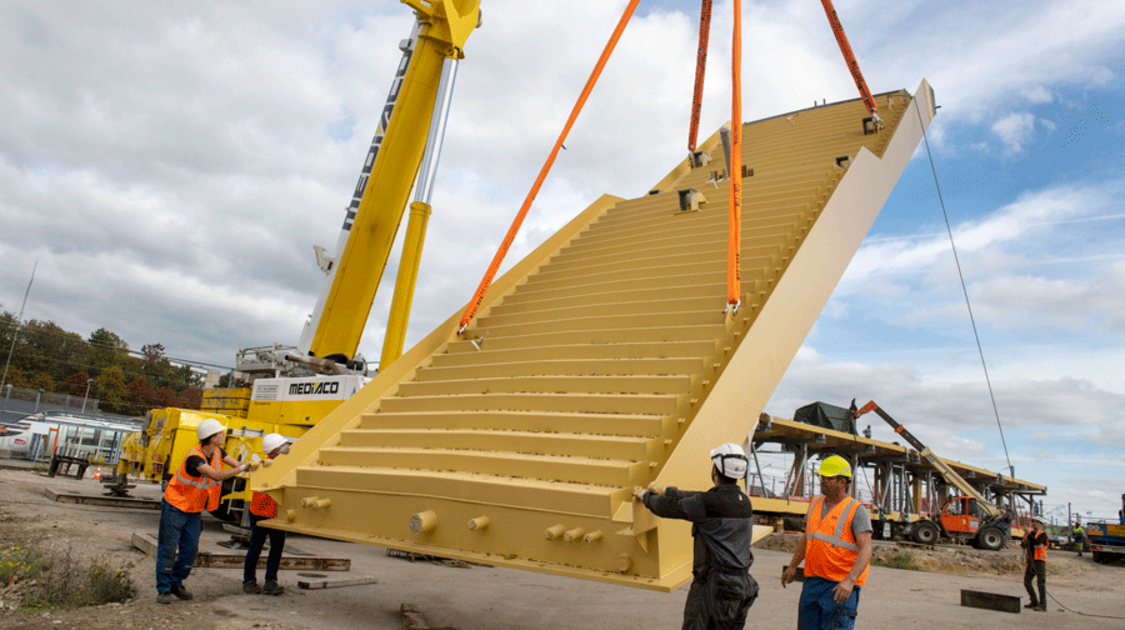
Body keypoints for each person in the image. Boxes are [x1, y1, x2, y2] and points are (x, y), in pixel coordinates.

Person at [634, 443, 759, 630]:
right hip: (742, 587)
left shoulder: (708, 503)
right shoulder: (744, 502)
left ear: (715, 470)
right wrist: (668, 490)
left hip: (715, 588)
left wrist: (646, 496)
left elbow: (669, 507)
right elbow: (699, 497)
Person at [156, 418, 249, 604]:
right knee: (168, 548)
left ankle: (176, 583)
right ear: (211, 438)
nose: (223, 435)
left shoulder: (217, 452)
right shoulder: (195, 458)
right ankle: (164, 589)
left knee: (190, 550)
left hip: (194, 508)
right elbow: (215, 475)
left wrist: (252, 466)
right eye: (220, 433)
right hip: (176, 505)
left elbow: (236, 465)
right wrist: (244, 468)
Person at [782, 455, 872, 630]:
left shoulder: (856, 510)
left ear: (842, 482)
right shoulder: (815, 503)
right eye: (821, 477)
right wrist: (793, 565)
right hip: (812, 583)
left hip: (839, 586)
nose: (822, 481)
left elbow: (866, 550)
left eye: (828, 478)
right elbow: (807, 539)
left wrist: (850, 581)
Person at [243, 433, 290, 596]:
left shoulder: (274, 463)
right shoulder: (267, 465)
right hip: (264, 513)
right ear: (276, 450)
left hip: (271, 512)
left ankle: (266, 581)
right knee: (259, 547)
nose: (287, 448)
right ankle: (254, 580)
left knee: (271, 547)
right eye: (284, 446)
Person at [1023, 518, 1048, 611]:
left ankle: (1043, 605)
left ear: (1040, 524)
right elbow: (1025, 545)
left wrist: (1029, 535)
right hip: (1031, 561)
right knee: (1027, 582)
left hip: (1040, 561)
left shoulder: (1043, 534)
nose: (1034, 524)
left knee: (1040, 583)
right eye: (1033, 522)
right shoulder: (1031, 534)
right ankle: (1034, 601)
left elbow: (1037, 541)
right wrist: (1025, 537)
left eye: (1036, 522)